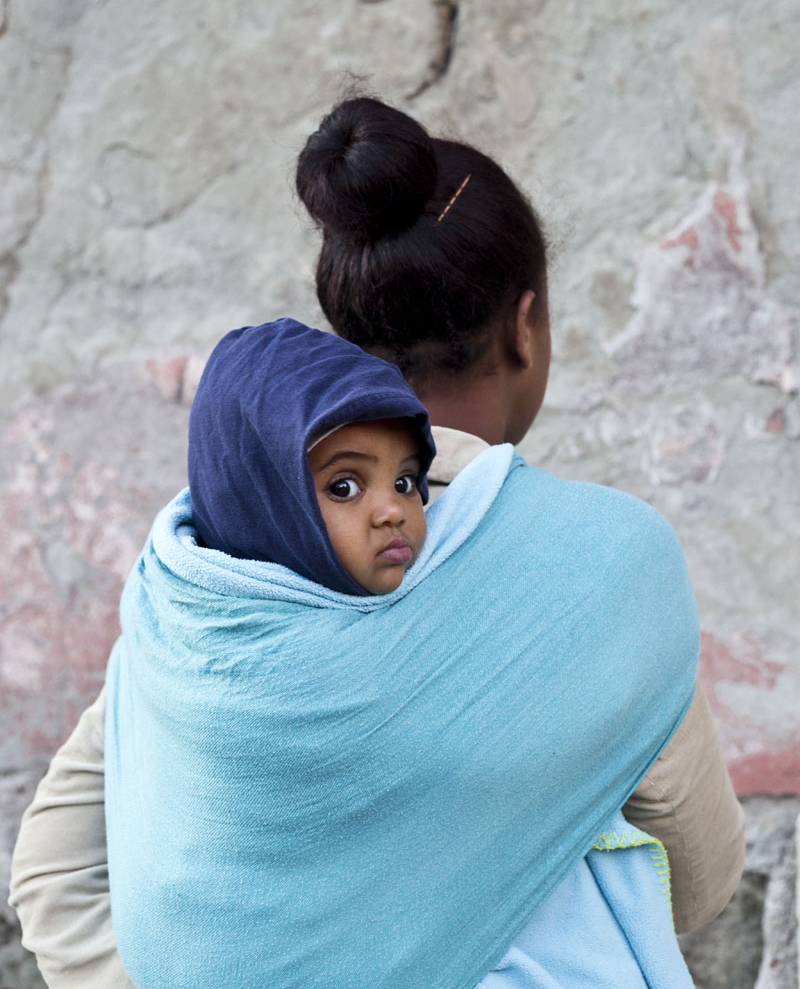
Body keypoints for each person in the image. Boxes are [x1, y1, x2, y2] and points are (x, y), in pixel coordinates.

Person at [9, 98, 745, 988]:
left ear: (346, 339)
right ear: (524, 324)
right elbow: (698, 875)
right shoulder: (599, 568)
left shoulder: (218, 558)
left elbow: (56, 870)